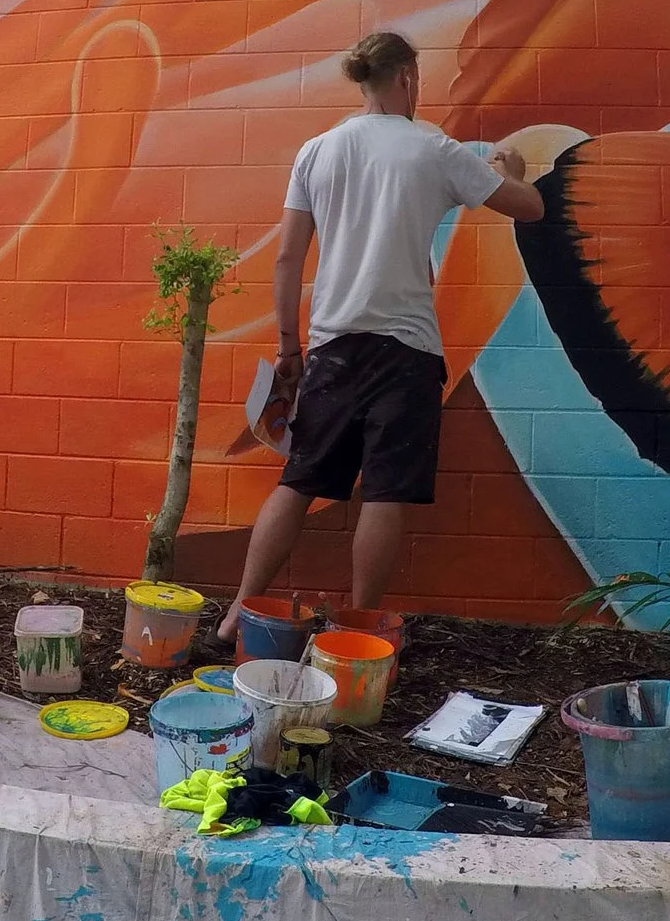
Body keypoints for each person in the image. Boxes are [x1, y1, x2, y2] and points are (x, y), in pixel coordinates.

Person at [221, 32, 544, 640]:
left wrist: (291, 349)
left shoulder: (316, 151)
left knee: (298, 482)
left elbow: (288, 259)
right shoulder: (434, 149)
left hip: (333, 344)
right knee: (385, 492)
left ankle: (239, 611)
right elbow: (528, 207)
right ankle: (358, 629)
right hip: (406, 351)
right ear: (408, 79)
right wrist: (509, 168)